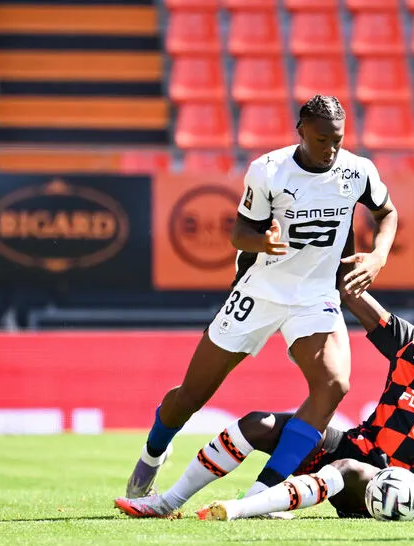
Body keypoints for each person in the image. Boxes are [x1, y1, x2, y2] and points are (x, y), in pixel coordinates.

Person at [122, 95, 398, 504]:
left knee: (334, 384)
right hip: (259, 291)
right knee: (192, 397)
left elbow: (387, 212)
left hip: (314, 296)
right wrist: (263, 242)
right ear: (301, 130)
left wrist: (378, 257)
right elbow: (239, 236)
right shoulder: (269, 171)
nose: (331, 149)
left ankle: (262, 494)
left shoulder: (358, 171)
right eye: (322, 139)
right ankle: (152, 454)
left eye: (338, 139)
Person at [114, 291, 414, 521]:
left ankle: (244, 508)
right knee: (257, 423)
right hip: (353, 444)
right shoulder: (408, 345)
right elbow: (353, 294)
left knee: (345, 470)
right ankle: (169, 502)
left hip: (388, 483)